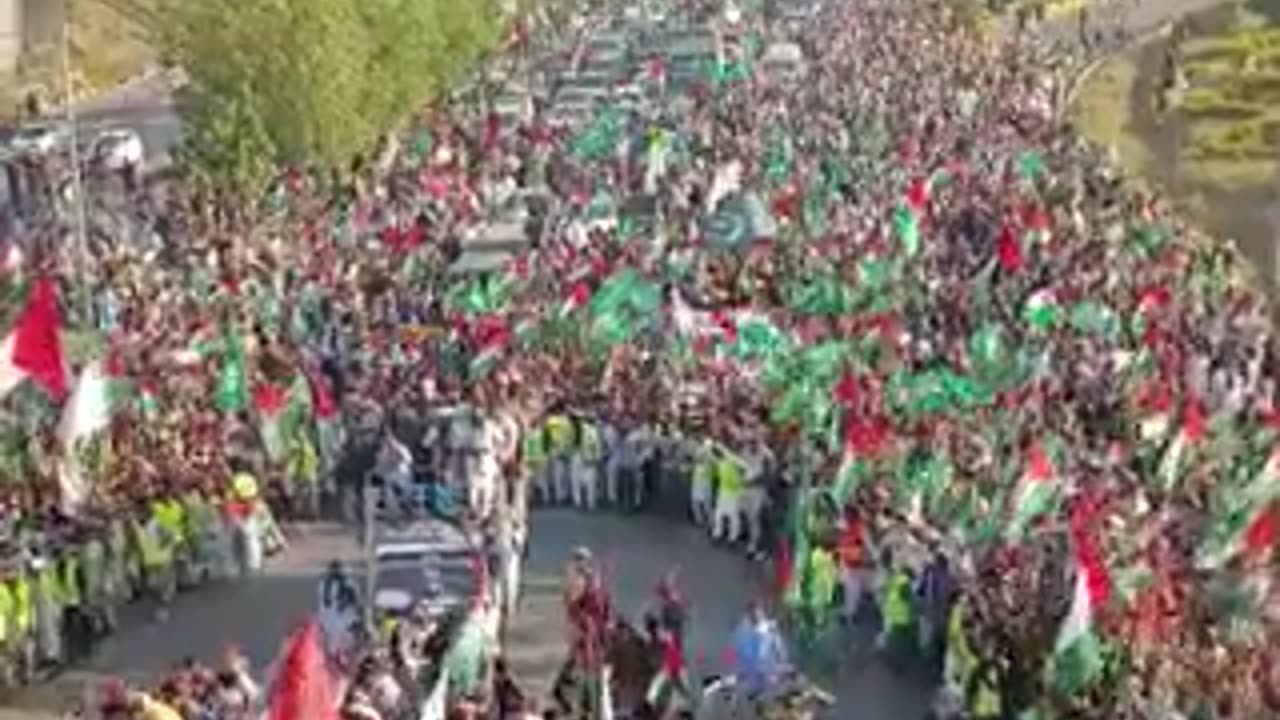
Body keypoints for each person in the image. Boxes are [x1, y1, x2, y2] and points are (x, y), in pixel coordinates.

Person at [729, 601, 789, 697]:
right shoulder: (743, 632)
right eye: (754, 615)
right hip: (755, 672)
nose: (758, 617)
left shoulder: (769, 627)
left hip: (768, 668)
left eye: (759, 614)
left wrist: (782, 658)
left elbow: (779, 646)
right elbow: (745, 654)